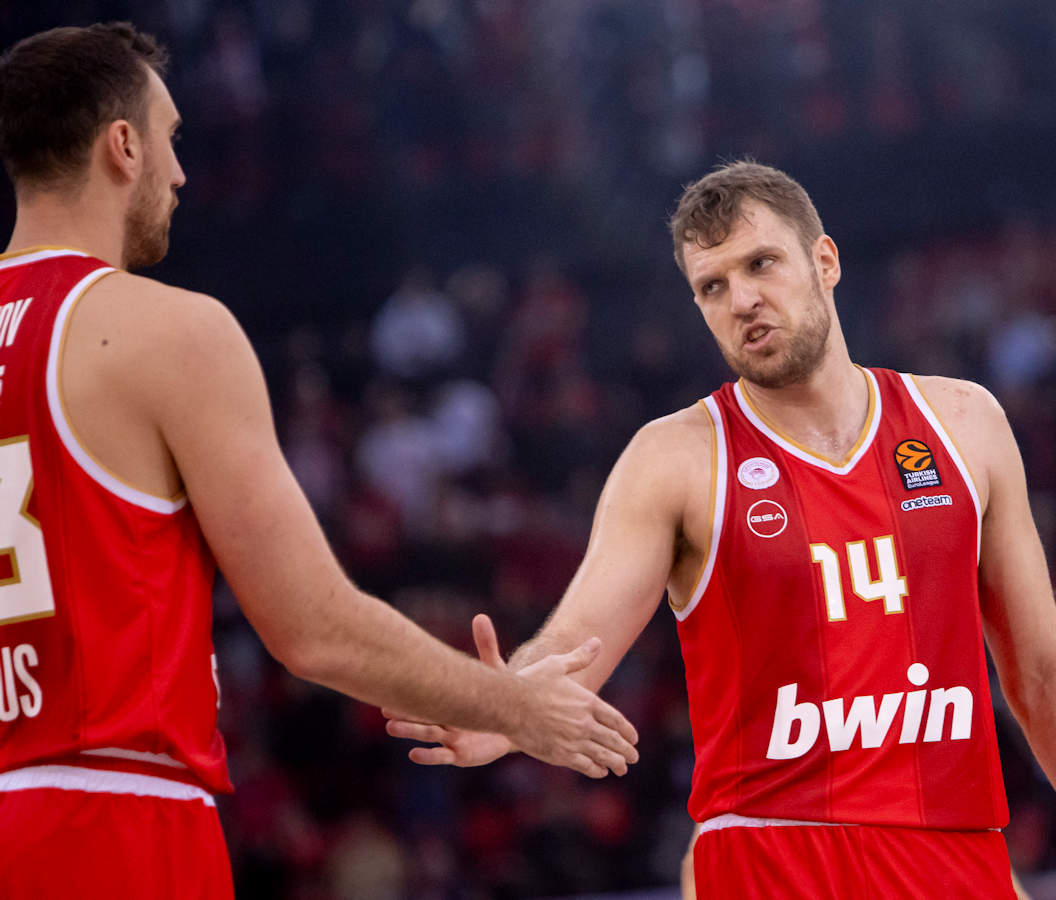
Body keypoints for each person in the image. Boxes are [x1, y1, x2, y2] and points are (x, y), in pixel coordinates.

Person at [387, 160, 1056, 898]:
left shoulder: (964, 423)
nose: (741, 300)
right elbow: (575, 642)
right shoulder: (677, 458)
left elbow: (1043, 669)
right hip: (774, 856)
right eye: (713, 286)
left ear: (825, 261)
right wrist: (505, 704)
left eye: (761, 264)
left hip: (955, 852)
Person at [0, 23, 637, 899]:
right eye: (170, 137)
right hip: (115, 812)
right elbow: (312, 628)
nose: (180, 172)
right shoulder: (167, 332)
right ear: (123, 146)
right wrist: (517, 706)